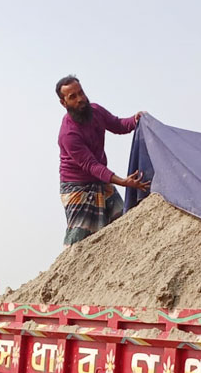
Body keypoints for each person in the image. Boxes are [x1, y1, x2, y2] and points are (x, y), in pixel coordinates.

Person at [56, 75, 151, 246]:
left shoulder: (96, 111)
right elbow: (91, 165)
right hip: (77, 187)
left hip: (100, 181)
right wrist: (123, 181)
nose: (80, 99)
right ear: (64, 103)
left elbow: (117, 124)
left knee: (122, 219)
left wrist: (135, 119)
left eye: (81, 93)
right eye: (73, 97)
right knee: (79, 240)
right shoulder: (69, 134)